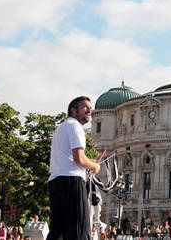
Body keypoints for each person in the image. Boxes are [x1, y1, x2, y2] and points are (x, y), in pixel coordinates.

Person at [46, 96, 100, 240]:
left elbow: (71, 157)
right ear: (73, 110)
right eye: (85, 107)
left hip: (55, 182)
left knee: (57, 230)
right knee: (79, 231)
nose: (89, 110)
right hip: (72, 183)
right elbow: (79, 159)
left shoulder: (60, 128)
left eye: (90, 108)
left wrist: (88, 161)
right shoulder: (76, 126)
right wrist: (94, 165)